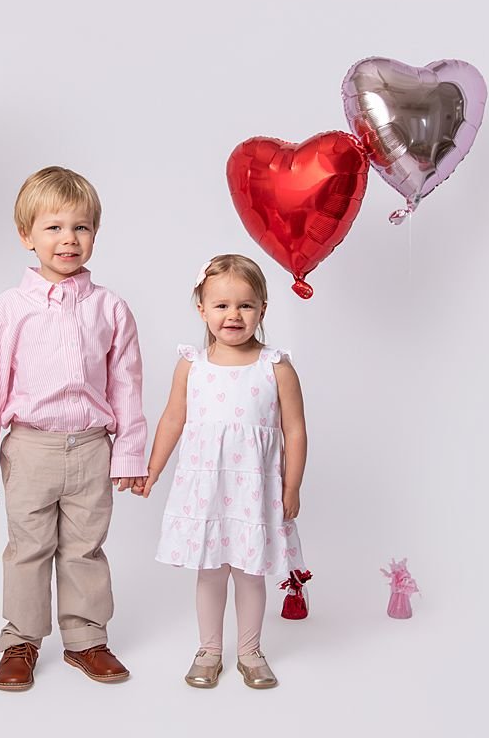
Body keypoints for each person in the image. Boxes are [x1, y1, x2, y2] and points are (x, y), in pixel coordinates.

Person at [0, 166, 147, 691]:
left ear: (94, 234)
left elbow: (127, 386)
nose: (69, 239)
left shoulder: (110, 309)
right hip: (30, 449)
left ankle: (86, 638)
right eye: (54, 227)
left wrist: (129, 455)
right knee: (27, 548)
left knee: (84, 548)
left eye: (81, 227)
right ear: (27, 236)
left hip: (92, 448)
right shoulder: (7, 310)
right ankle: (20, 639)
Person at [136, 254, 307, 689]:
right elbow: (173, 419)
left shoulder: (276, 367)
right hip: (206, 489)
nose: (233, 315)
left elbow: (296, 430)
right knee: (210, 571)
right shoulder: (192, 365)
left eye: (245, 306)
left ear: (263, 310)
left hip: (253, 492)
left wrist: (292, 486)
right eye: (222, 305)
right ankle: (209, 649)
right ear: (202, 309)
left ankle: (250, 651)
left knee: (250, 573)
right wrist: (152, 470)